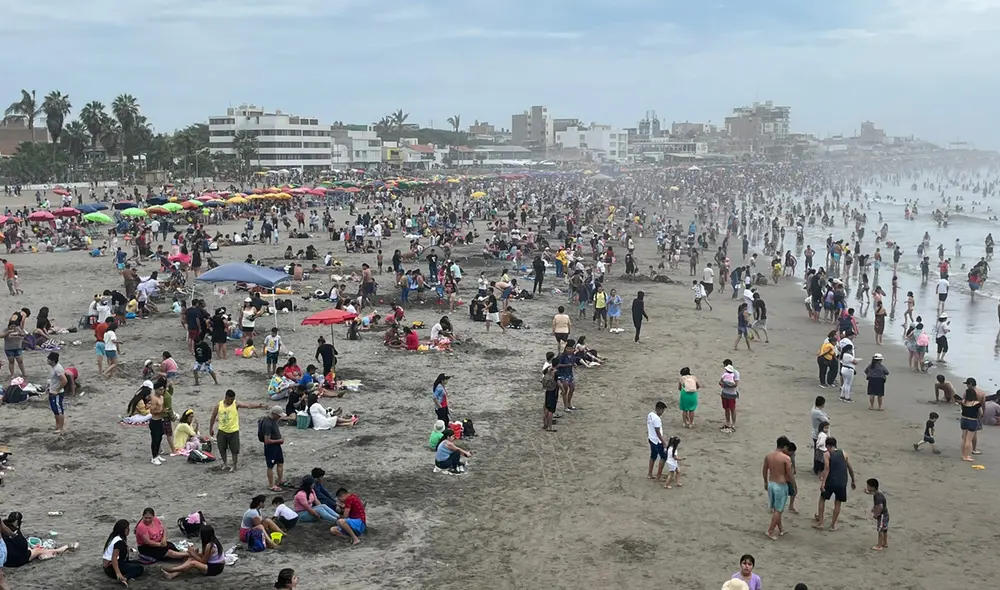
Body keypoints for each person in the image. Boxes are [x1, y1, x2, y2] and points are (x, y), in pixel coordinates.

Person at [209, 389, 267, 472]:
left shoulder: (236, 404)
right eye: (231, 399)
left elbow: (248, 405)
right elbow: (213, 417)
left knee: (234, 450)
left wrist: (259, 405)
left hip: (233, 431)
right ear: (226, 397)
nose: (232, 400)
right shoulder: (219, 405)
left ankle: (234, 465)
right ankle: (225, 463)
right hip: (222, 431)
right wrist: (211, 428)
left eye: (233, 399)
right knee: (222, 449)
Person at [0, 512, 77, 567]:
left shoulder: (2, 530)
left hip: (4, 560)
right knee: (38, 550)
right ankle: (61, 549)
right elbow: (23, 547)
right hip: (15, 560)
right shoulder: (15, 532)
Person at [814, 437, 856, 531]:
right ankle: (833, 525)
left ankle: (821, 523)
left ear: (827, 446)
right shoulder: (844, 453)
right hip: (842, 482)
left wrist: (823, 483)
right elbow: (850, 468)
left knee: (822, 499)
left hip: (831, 481)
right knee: (838, 502)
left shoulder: (827, 454)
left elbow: (827, 468)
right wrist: (853, 480)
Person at [161, 525, 226, 579]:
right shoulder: (214, 541)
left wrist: (193, 553)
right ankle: (173, 574)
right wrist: (194, 553)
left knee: (193, 563)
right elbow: (206, 555)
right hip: (215, 565)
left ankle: (173, 569)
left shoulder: (210, 546)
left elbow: (203, 561)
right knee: (191, 559)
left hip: (215, 568)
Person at [762, 436, 795, 540]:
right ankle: (770, 531)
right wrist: (794, 486)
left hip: (771, 483)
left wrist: (765, 482)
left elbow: (764, 470)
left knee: (776, 508)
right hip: (781, 485)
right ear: (784, 446)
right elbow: (789, 475)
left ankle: (781, 529)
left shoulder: (769, 456)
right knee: (779, 510)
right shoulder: (786, 458)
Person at [102, 519, 145, 584]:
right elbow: (114, 558)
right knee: (139, 568)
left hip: (110, 565)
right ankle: (125, 578)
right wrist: (118, 573)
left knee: (138, 562)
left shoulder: (114, 537)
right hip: (111, 568)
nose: (129, 530)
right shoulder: (119, 542)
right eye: (127, 528)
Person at [263, 405, 286, 492]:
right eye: (279, 416)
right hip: (270, 448)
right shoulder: (267, 424)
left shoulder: (274, 421)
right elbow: (267, 440)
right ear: (274, 414)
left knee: (280, 462)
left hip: (277, 446)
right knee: (270, 466)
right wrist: (279, 440)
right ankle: (271, 485)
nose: (280, 417)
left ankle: (280, 480)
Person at [960, 385, 983, 462]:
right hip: (972, 421)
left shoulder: (963, 402)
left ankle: (963, 454)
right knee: (969, 440)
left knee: (964, 438)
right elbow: (981, 413)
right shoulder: (976, 403)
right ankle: (966, 456)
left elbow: (962, 410)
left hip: (963, 420)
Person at [867, 478, 889, 551]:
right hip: (886, 514)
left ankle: (879, 545)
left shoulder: (877, 496)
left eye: (868, 486)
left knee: (880, 530)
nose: (867, 488)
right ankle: (885, 542)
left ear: (873, 487)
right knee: (884, 529)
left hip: (882, 515)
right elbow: (878, 505)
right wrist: (874, 508)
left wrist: (876, 514)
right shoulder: (878, 493)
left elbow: (880, 506)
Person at [647, 401, 667, 480]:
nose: (662, 412)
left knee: (653, 456)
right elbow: (658, 432)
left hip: (651, 439)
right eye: (662, 410)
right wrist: (664, 442)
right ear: (659, 409)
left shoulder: (650, 415)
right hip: (657, 441)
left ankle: (650, 474)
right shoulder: (657, 419)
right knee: (664, 457)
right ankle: (659, 475)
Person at [719, 362, 740, 433]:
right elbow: (720, 381)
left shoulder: (736, 373)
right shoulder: (726, 372)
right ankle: (727, 423)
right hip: (724, 393)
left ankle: (733, 424)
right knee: (726, 409)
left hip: (731, 394)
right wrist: (722, 384)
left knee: (732, 409)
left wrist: (726, 384)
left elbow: (736, 384)